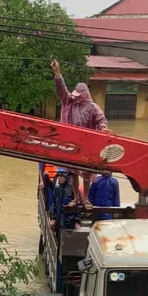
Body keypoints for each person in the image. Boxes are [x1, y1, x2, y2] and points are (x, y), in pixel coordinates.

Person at [50, 59, 109, 199]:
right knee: (72, 172)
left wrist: (104, 128)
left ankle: (86, 199)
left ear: (84, 96)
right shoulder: (68, 102)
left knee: (87, 173)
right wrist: (57, 72)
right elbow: (61, 89)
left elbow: (101, 119)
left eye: (78, 96)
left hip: (87, 144)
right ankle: (76, 198)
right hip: (71, 143)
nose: (75, 98)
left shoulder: (92, 107)